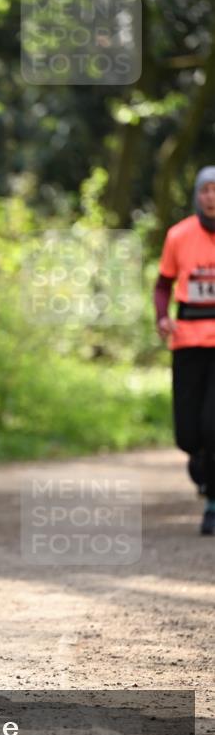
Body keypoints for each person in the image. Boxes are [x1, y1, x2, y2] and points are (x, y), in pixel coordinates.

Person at [154, 165, 215, 535]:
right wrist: (162, 317)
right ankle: (201, 467)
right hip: (187, 342)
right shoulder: (179, 235)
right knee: (189, 435)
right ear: (197, 195)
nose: (212, 197)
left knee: (213, 426)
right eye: (206, 190)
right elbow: (163, 284)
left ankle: (212, 502)